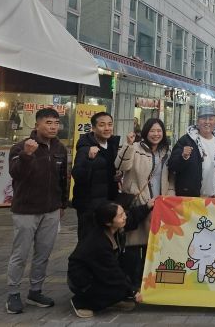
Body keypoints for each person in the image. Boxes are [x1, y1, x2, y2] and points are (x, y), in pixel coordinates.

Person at [5, 108, 68, 314]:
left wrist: (62, 204)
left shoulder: (60, 148)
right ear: (37, 124)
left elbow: (63, 178)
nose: (53, 127)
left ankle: (35, 291)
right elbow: (16, 174)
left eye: (56, 123)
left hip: (51, 210)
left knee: (43, 253)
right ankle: (13, 293)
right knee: (20, 254)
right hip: (26, 210)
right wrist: (27, 155)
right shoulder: (21, 147)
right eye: (48, 123)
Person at [67, 201, 150, 318]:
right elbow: (112, 273)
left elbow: (132, 216)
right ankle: (81, 302)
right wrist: (133, 291)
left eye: (123, 213)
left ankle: (113, 298)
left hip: (99, 270)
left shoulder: (114, 226)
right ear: (108, 222)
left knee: (127, 270)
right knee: (119, 289)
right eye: (120, 216)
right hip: (81, 279)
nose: (125, 217)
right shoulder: (99, 243)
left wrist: (147, 206)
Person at [117, 118, 174, 288]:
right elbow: (121, 166)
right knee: (134, 247)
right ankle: (132, 285)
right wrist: (128, 145)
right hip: (138, 204)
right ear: (145, 132)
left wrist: (169, 198)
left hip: (159, 205)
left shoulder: (166, 152)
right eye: (152, 131)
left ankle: (149, 284)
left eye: (159, 131)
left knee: (154, 246)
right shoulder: (135, 148)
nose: (156, 134)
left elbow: (171, 179)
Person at [71, 112, 120, 240]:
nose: (107, 128)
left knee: (106, 241)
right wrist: (89, 160)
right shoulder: (85, 148)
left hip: (109, 203)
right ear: (93, 128)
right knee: (88, 242)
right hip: (89, 206)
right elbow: (78, 175)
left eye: (110, 124)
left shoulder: (112, 145)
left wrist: (117, 177)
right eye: (102, 125)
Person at [168, 105, 215, 197]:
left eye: (211, 119)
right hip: (191, 196)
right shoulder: (186, 140)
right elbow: (172, 166)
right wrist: (183, 157)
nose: (207, 122)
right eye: (203, 118)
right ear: (197, 121)